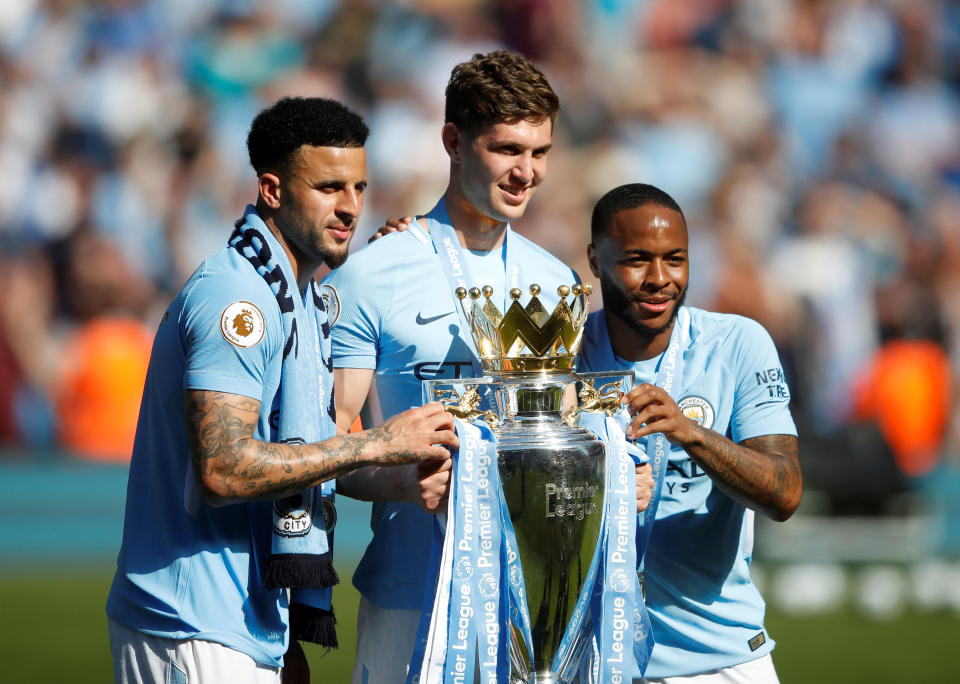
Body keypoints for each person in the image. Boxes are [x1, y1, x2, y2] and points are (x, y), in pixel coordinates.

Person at [105, 96, 458, 684]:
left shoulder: (304, 300)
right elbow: (224, 468)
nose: (351, 208)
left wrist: (399, 479)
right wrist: (374, 444)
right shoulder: (237, 301)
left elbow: (304, 454)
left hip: (244, 620)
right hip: (192, 624)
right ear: (272, 190)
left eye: (360, 188)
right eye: (328, 188)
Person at [322, 49, 631, 683]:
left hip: (534, 598)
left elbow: (571, 437)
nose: (526, 172)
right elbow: (332, 441)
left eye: (539, 152)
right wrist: (408, 483)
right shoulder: (374, 274)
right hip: (412, 594)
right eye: (507, 150)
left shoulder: (558, 284)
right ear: (453, 142)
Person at [578, 183, 802, 683]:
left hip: (717, 657)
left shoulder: (737, 344)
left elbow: (784, 493)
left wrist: (691, 434)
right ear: (595, 261)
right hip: (590, 657)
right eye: (636, 260)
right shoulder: (562, 354)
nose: (660, 279)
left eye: (675, 259)